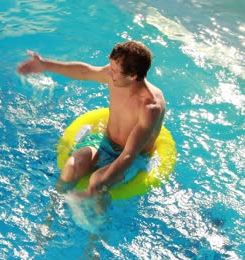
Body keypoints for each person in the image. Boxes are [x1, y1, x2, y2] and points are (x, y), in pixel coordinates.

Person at [17, 41, 165, 200]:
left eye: (114, 70)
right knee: (72, 167)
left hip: (134, 157)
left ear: (133, 75)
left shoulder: (149, 107)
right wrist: (46, 65)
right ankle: (51, 215)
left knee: (97, 183)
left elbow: (129, 154)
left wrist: (95, 189)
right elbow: (84, 71)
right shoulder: (115, 77)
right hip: (106, 142)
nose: (109, 72)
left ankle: (99, 223)